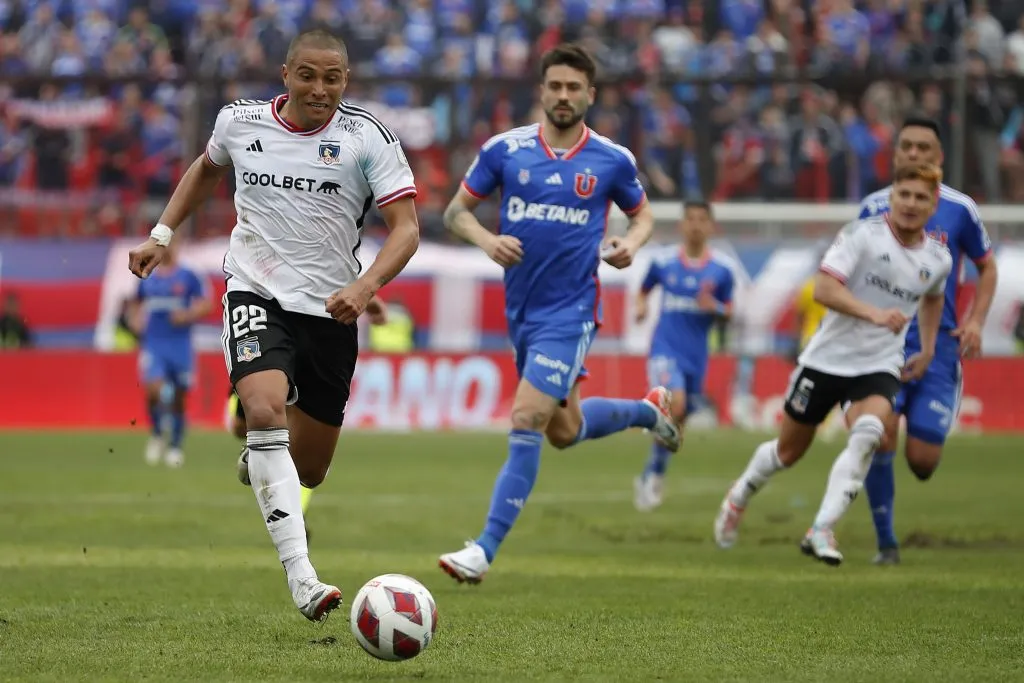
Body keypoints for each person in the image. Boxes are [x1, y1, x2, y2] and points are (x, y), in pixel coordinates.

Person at [127, 29, 420, 622]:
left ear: (346, 80)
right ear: (285, 74)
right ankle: (303, 576)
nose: (319, 89)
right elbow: (205, 170)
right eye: (307, 75)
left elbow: (406, 228)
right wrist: (162, 234)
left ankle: (261, 446)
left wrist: (366, 287)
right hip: (255, 289)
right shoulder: (239, 121)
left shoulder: (369, 138)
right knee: (264, 411)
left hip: (332, 309)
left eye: (332, 78)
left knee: (307, 465)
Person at [437, 43, 680, 584]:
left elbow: (643, 218)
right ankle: (648, 413)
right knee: (563, 430)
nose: (564, 96)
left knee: (526, 418)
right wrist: (486, 240)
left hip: (571, 313)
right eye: (556, 86)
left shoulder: (612, 161)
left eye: (575, 88)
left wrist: (630, 245)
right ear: (541, 91)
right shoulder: (504, 150)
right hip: (521, 313)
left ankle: (482, 551)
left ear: (590, 95)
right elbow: (455, 213)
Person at [713, 163, 953, 566]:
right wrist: (873, 314)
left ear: (933, 206)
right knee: (787, 453)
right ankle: (739, 497)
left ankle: (822, 528)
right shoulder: (862, 235)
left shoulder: (937, 258)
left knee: (871, 430)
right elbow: (824, 288)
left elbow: (933, 298)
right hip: (826, 360)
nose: (910, 204)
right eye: (904, 194)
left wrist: (927, 348)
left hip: (878, 364)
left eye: (920, 197)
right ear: (891, 197)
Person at [858, 117, 998, 565]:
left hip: (937, 353)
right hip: (882, 347)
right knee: (880, 433)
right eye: (907, 147)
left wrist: (975, 321)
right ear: (896, 155)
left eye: (924, 148)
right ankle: (887, 544)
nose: (915, 154)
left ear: (938, 158)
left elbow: (987, 266)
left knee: (922, 461)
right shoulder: (871, 208)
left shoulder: (960, 209)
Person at [224, 295, 389, 542]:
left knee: (304, 460)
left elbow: (331, 264)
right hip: (267, 314)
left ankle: (293, 511)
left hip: (316, 328)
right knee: (242, 426)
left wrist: (368, 295)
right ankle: (264, 445)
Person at [632, 201, 734, 511]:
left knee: (678, 421)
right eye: (690, 219)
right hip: (665, 348)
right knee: (675, 403)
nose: (695, 225)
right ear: (681, 224)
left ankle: (653, 473)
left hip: (696, 356)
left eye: (702, 220)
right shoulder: (663, 263)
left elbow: (729, 310)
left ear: (711, 226)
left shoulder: (722, 271)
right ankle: (649, 438)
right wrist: (641, 306)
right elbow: (644, 289)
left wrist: (714, 308)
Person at [130, 237, 211, 467]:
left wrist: (187, 315)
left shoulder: (188, 275)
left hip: (181, 345)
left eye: (172, 245)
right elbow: (136, 302)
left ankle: (175, 446)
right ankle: (157, 433)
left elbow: (207, 303)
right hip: (154, 344)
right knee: (153, 389)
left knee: (179, 397)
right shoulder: (148, 276)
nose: (168, 249)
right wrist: (136, 320)